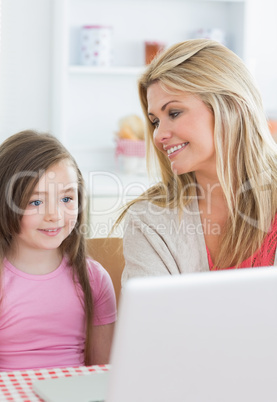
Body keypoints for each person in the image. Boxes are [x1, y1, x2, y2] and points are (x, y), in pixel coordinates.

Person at [116, 39, 277, 284]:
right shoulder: (149, 219)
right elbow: (153, 320)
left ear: (230, 105)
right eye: (155, 121)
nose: (158, 136)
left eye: (174, 113)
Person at [0, 130, 116, 371]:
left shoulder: (94, 279)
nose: (54, 215)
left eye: (66, 199)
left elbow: (103, 372)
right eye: (36, 202)